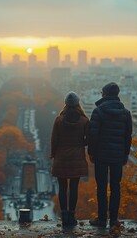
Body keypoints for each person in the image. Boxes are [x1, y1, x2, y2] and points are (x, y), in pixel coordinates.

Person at [88, 82, 132, 228]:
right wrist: (125, 154)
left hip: (101, 155)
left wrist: (91, 153)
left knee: (101, 187)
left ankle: (101, 219)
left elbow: (92, 136)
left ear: (105, 94)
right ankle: (114, 219)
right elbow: (128, 136)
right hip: (118, 156)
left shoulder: (98, 111)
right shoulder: (126, 113)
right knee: (115, 187)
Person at [50, 91, 89, 227]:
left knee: (62, 187)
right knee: (74, 188)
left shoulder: (59, 120)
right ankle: (72, 215)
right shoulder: (84, 120)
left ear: (65, 104)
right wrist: (80, 144)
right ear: (78, 104)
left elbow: (54, 140)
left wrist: (53, 154)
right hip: (77, 157)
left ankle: (64, 215)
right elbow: (89, 139)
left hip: (61, 156)